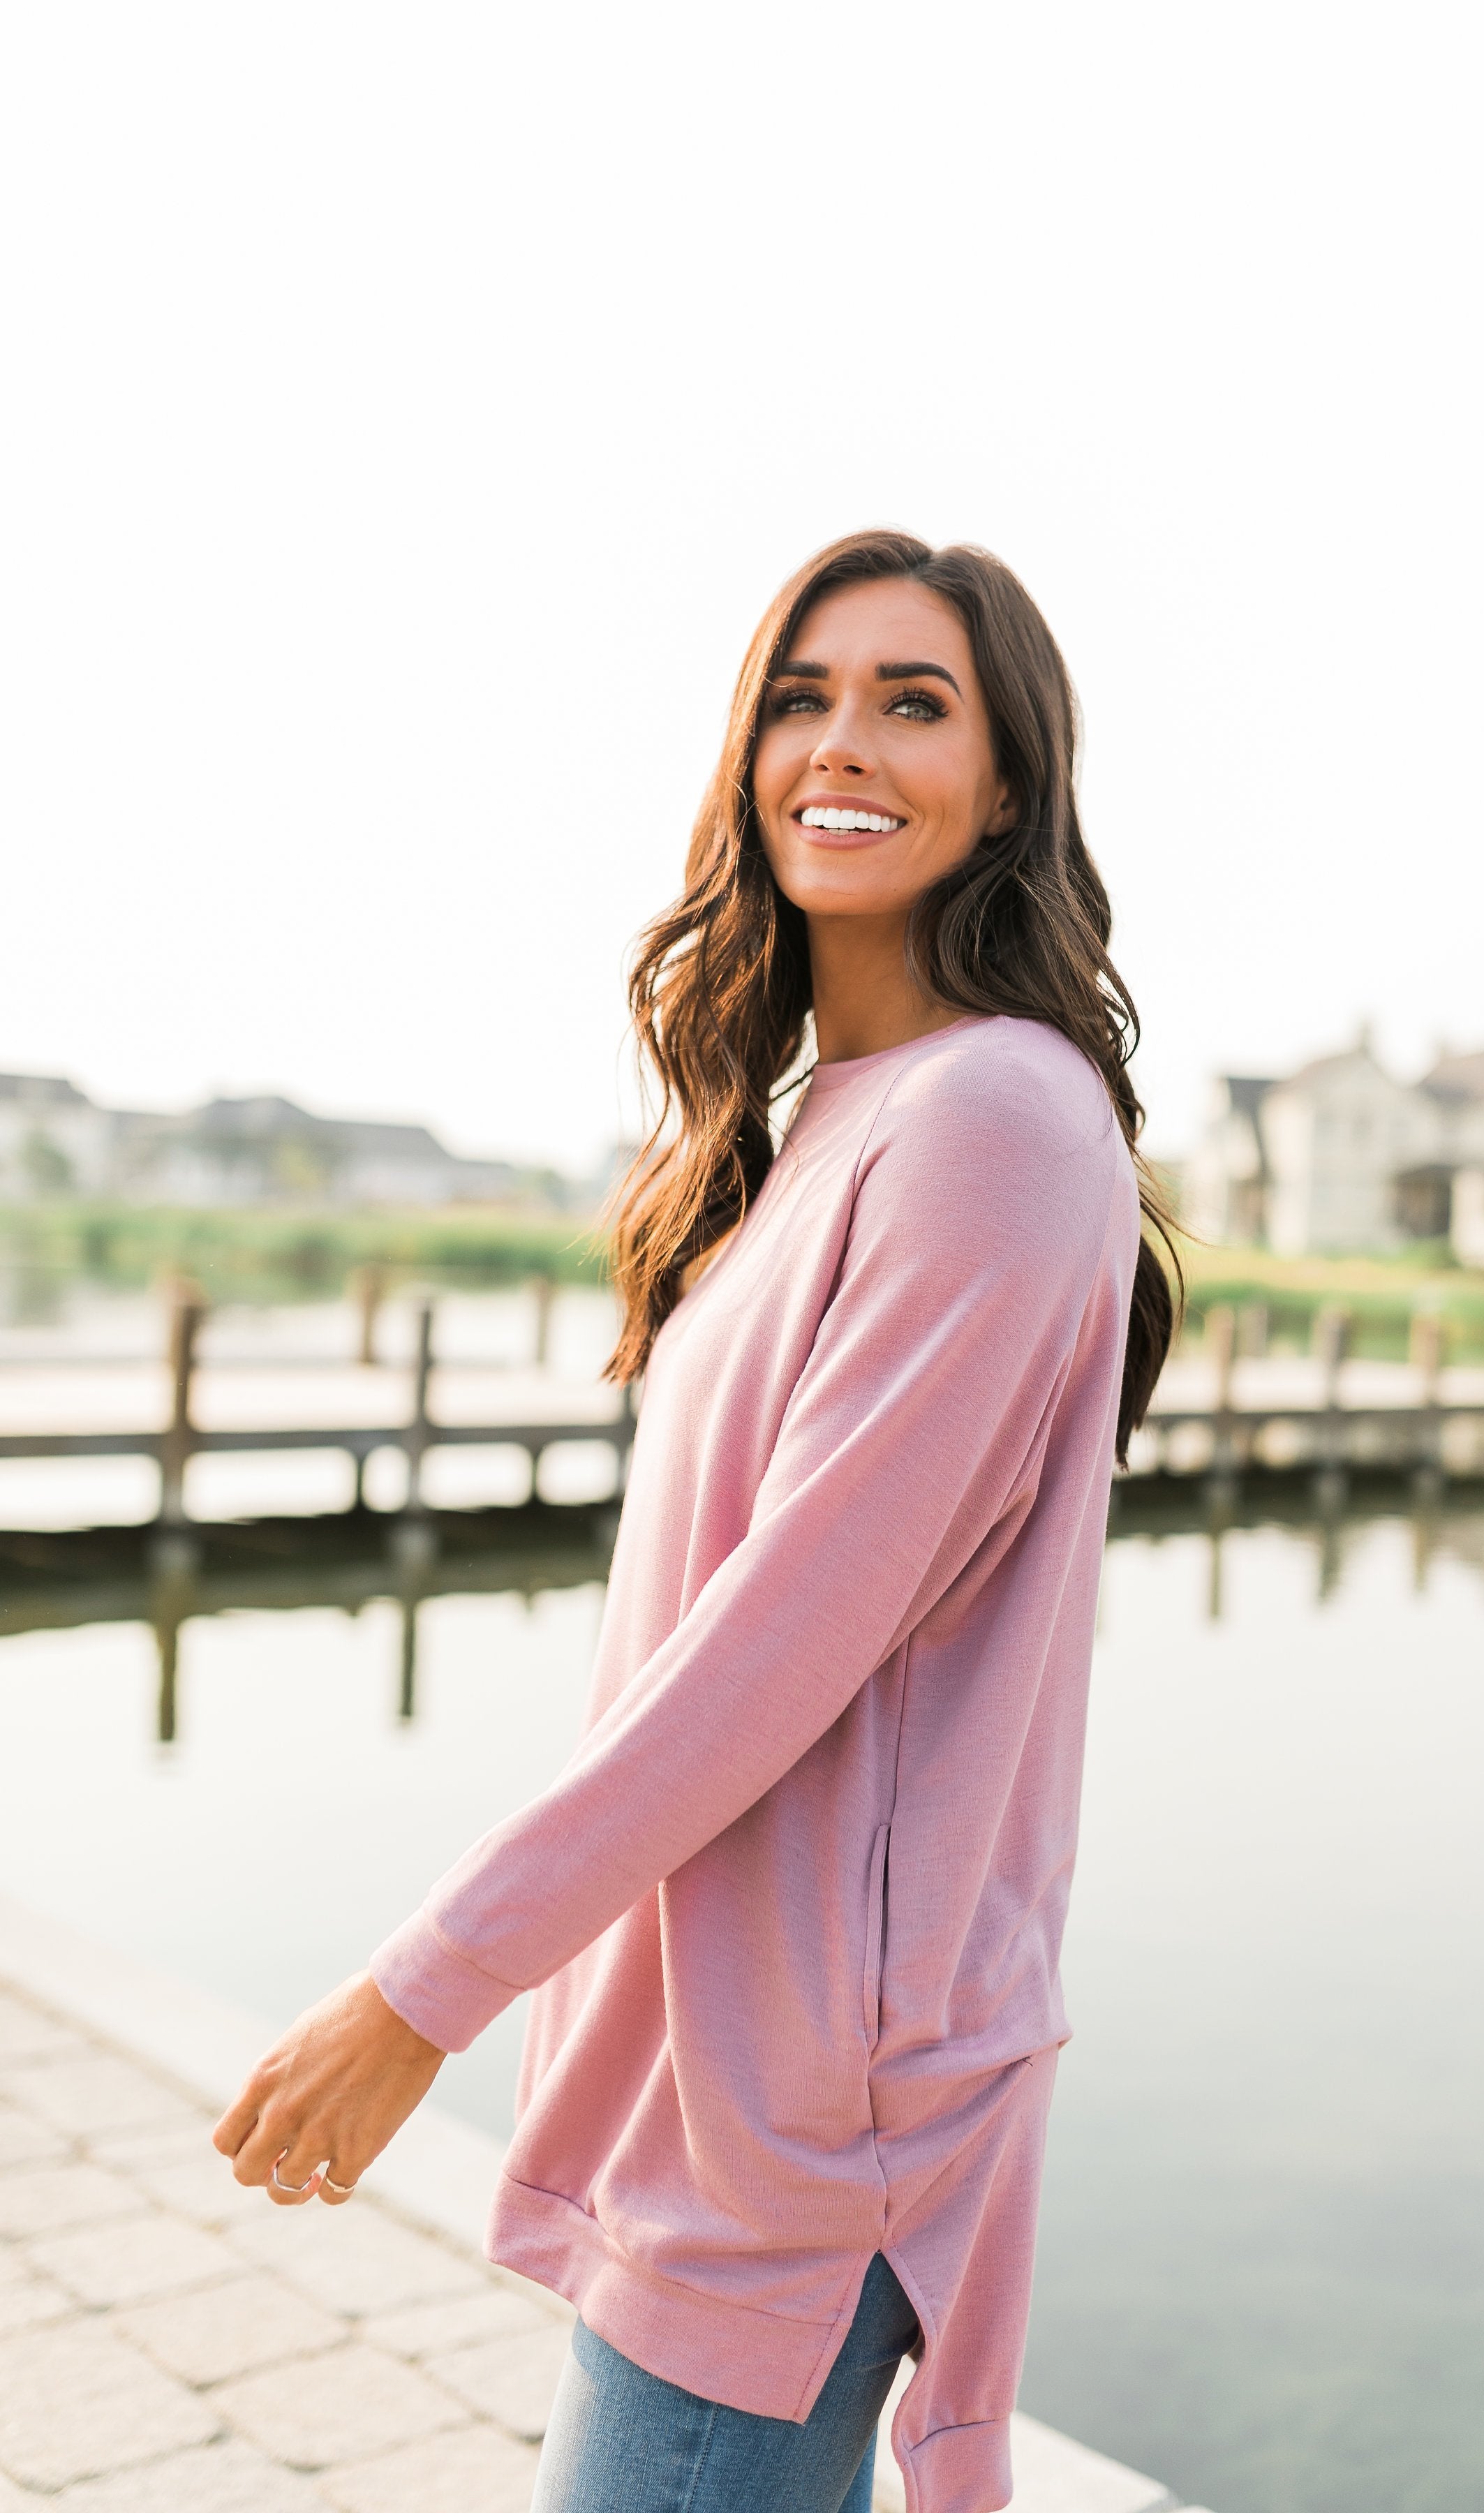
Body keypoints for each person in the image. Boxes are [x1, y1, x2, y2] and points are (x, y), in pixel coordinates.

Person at [213, 529, 1177, 2513]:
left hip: (807, 2124)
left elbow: (770, 1652)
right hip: (715, 2081)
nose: (845, 742)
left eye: (917, 703)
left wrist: (419, 1997)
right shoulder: (829, 1117)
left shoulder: (994, 1116)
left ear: (1008, 785)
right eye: (801, 699)